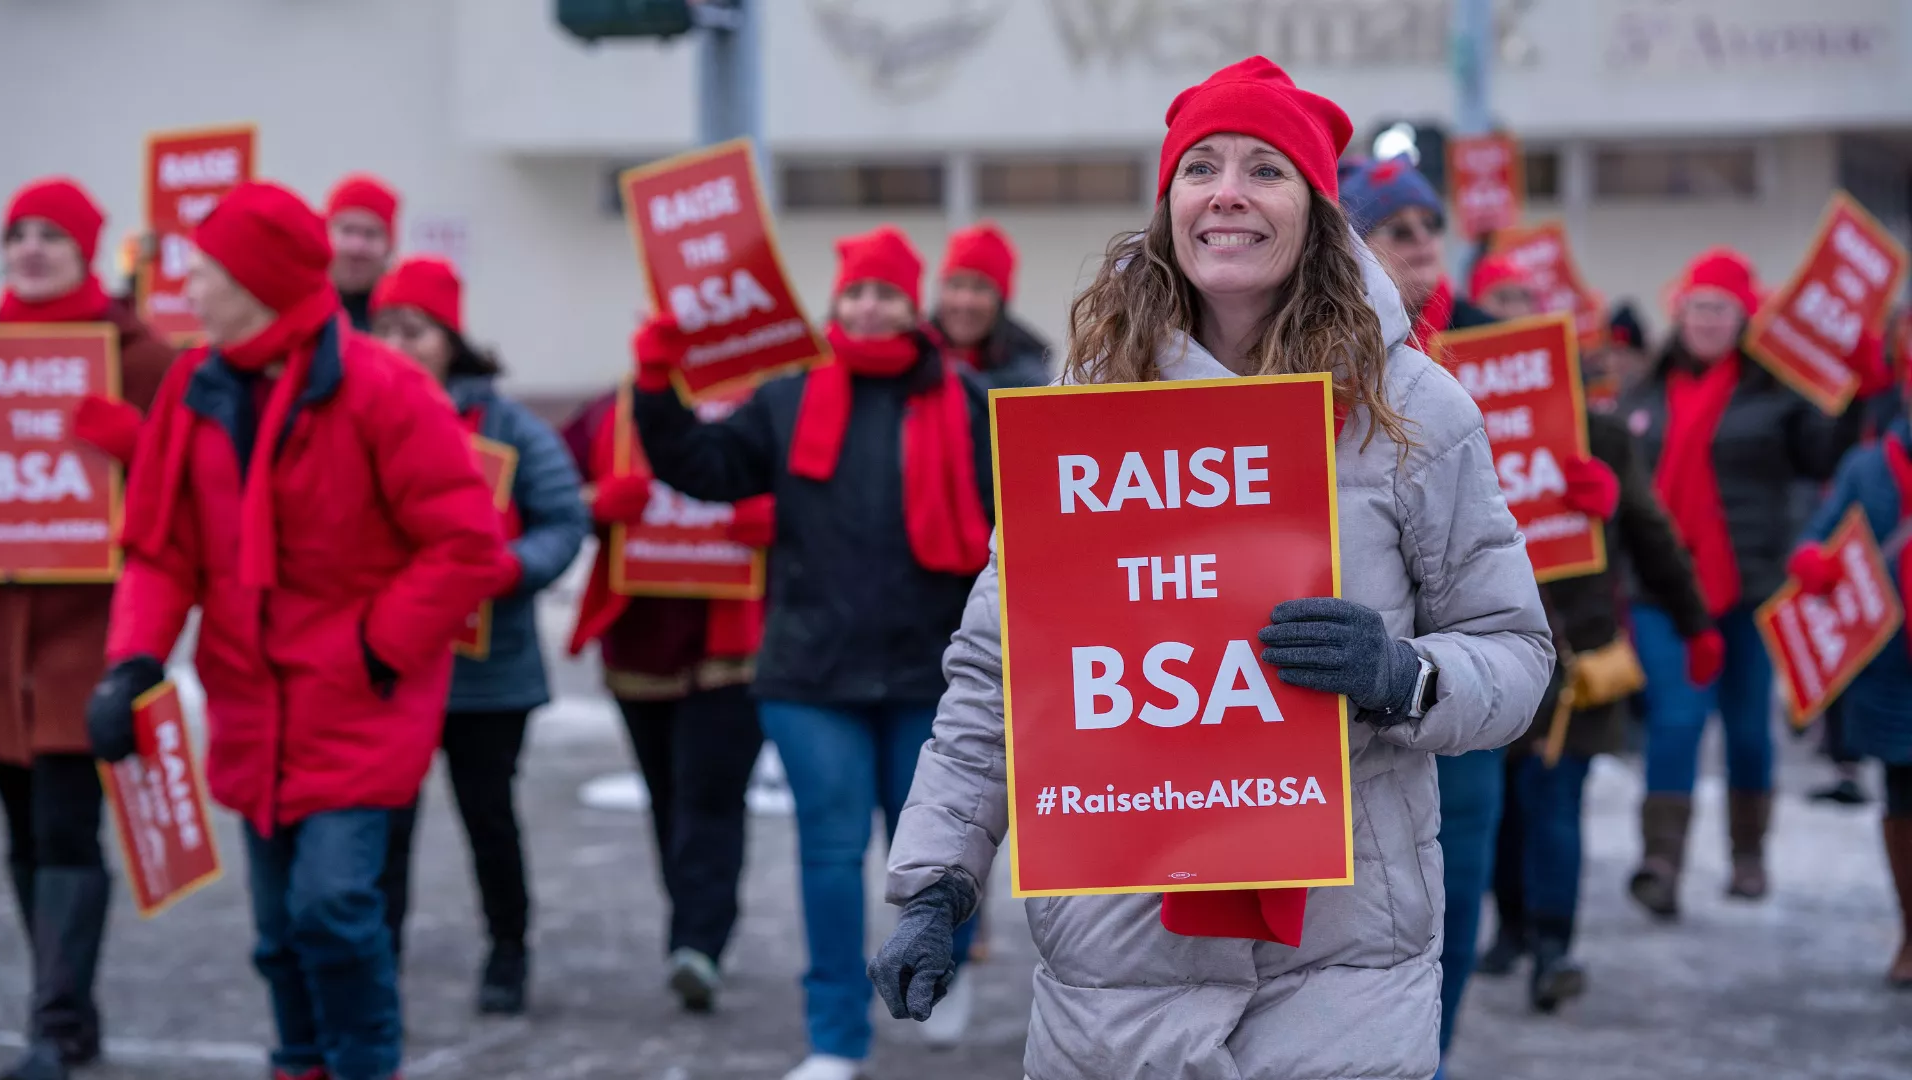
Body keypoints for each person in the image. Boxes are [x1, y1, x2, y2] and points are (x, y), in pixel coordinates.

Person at [872, 57, 1554, 1080]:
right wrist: (937, 881)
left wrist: (1403, 676)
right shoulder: (1089, 416)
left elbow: (1517, 653)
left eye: (1265, 169)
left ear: (1318, 212)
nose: (1228, 192)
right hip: (1117, 967)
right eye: (1201, 167)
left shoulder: (1417, 411)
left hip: (1342, 961)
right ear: (1168, 207)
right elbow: (998, 675)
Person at [84, 181, 512, 1080]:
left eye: (205, 272)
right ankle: (299, 1061)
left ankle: (362, 1064)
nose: (190, 290)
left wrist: (373, 647)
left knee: (333, 908)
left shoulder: (383, 389)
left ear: (258, 282)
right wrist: (132, 663)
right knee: (278, 928)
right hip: (249, 703)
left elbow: (467, 545)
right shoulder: (196, 391)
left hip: (361, 701)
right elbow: (162, 553)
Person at [632, 225, 992, 1080]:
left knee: (941, 848)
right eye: (856, 294)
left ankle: (944, 963)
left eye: (888, 296)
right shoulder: (786, 398)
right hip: (810, 672)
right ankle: (835, 1034)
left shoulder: (969, 402)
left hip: (929, 674)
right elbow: (703, 464)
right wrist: (656, 383)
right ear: (837, 305)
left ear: (915, 308)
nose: (869, 309)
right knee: (830, 853)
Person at [1469, 261, 1721, 1014]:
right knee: (1504, 808)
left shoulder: (1599, 430)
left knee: (1555, 801)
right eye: (1498, 299)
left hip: (1576, 655)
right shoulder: (1437, 415)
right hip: (1479, 651)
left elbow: (1652, 534)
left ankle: (1554, 947)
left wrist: (1693, 621)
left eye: (1525, 300)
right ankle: (1512, 926)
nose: (1512, 312)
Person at [369, 256, 588, 1015]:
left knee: (487, 817)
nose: (399, 343)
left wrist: (507, 567)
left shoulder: (509, 427)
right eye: (386, 327)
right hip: (387, 665)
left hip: (487, 673)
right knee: (382, 827)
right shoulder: (353, 415)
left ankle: (508, 948)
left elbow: (565, 521)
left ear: (451, 340)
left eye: (416, 330)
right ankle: (376, 957)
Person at [0, 178, 177, 1080]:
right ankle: (68, 1009)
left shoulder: (139, 356)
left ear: (85, 249)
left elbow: (192, 482)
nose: (29, 249)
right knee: (23, 836)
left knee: (68, 829)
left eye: (49, 236)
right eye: (16, 235)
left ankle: (57, 1024)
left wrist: (138, 445)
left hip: (83, 635)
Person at [1618, 248, 1863, 915]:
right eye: (1697, 306)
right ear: (1680, 311)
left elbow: (1826, 454)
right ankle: (1661, 861)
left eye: (1721, 309)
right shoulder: (1645, 393)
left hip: (1750, 588)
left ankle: (1748, 855)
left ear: (1743, 317)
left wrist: (1855, 388)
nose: (1707, 320)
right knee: (1677, 720)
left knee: (1749, 730)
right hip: (1663, 591)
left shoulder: (1779, 393)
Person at [1346, 150, 1520, 1057]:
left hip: (1465, 675)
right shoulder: (1335, 364)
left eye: (1430, 226)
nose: (1421, 246)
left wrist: (1582, 479)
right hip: (1358, 697)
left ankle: (1433, 1059)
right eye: (1396, 229)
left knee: (1453, 903)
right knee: (1378, 916)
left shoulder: (1499, 339)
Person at [563, 375, 773, 1014]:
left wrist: (783, 515)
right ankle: (691, 925)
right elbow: (537, 496)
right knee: (668, 797)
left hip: (733, 646)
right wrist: (595, 501)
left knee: (711, 793)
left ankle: (699, 942)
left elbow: (834, 497)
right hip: (639, 644)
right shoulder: (607, 410)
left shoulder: (764, 406)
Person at [1789, 370, 1912, 988]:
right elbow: (1817, 536)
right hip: (1893, 664)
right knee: (1903, 798)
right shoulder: (1869, 466)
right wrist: (1814, 561)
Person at [1340, 154, 1453, 343]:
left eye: (1431, 223)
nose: (1421, 237)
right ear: (1357, 248)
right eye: (1400, 230)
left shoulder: (1487, 330)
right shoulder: (1335, 343)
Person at [931, 222, 1051, 391]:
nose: (965, 301)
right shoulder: (910, 359)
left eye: (980, 287)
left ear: (1000, 301)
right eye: (956, 285)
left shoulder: (1028, 379)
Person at [326, 173, 399, 331]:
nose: (357, 247)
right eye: (347, 230)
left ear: (390, 246)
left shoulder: (401, 325)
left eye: (370, 234)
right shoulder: (300, 306)